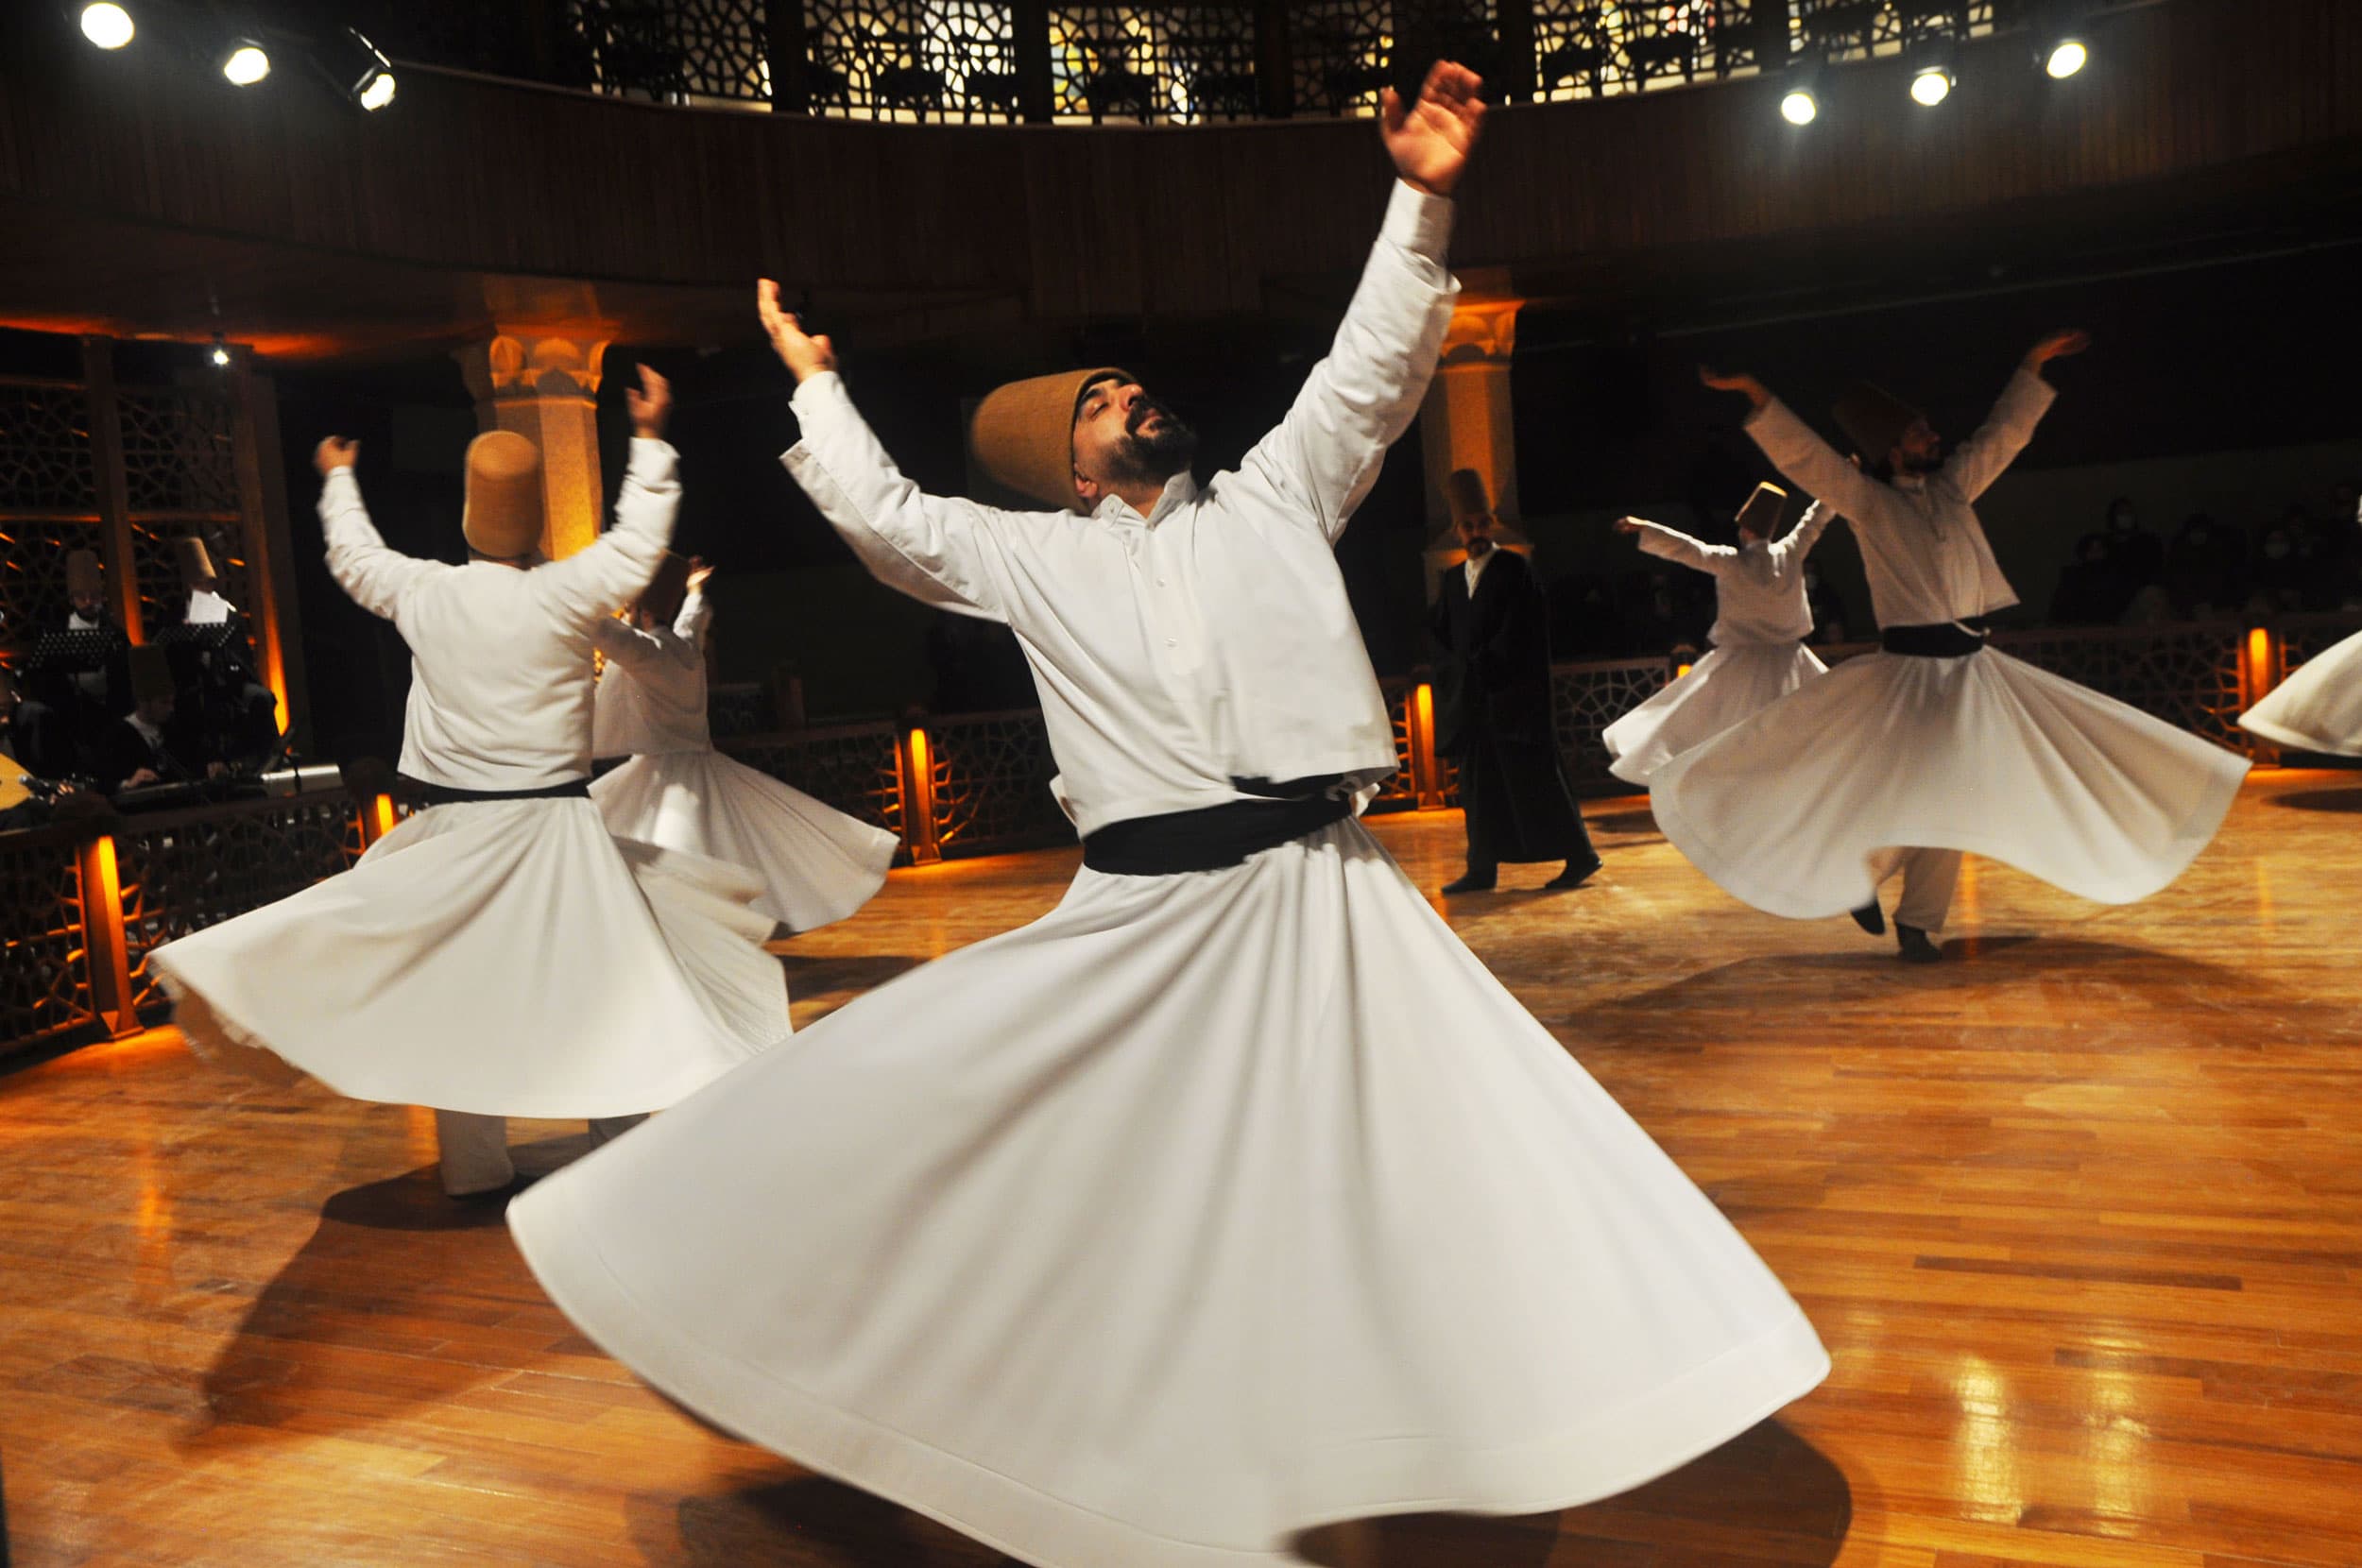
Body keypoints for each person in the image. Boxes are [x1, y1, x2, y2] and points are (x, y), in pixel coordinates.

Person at [508, 64, 1827, 1568]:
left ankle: (1452, 1411)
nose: (1131, 395)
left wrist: (1422, 197)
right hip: (1142, 918)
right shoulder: (1028, 558)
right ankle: (1005, 1395)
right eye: (1101, 402)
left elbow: (1371, 369)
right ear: (1070, 469)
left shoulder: (1273, 497)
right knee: (1032, 1147)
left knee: (1423, 1153)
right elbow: (887, 520)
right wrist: (813, 379)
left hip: (1322, 894)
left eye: (1128, 385)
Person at [148, 368, 791, 1198]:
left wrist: (339, 480)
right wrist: (649, 439)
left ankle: (475, 1167)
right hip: (555, 833)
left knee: (463, 994)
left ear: (467, 516)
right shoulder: (564, 592)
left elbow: (354, 558)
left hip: (460, 832)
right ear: (533, 523)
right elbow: (639, 543)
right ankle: (619, 1141)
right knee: (599, 983)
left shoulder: (428, 592)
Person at [1665, 335, 2249, 962]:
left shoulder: (1950, 490)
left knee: (1950, 795)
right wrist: (1756, 395)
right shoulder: (1869, 502)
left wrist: (2032, 367)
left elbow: (2002, 437)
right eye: (1919, 433)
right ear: (1893, 450)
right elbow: (1807, 459)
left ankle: (1890, 897)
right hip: (1910, 676)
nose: (1934, 437)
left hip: (1971, 669)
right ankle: (1884, 893)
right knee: (1936, 795)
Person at [590, 554, 899, 933]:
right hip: (700, 768)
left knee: (664, 856)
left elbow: (606, 633)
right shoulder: (687, 649)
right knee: (704, 853)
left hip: (665, 775)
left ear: (644, 613)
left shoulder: (650, 653)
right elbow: (693, 620)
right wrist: (693, 590)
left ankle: (682, 936)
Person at [1428, 467, 1600, 893]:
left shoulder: (1514, 569)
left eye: (1481, 524)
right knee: (1478, 788)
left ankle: (1580, 856)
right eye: (1468, 526)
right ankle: (1482, 867)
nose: (1476, 532)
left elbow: (1522, 630)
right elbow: (1442, 635)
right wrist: (1455, 675)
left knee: (1536, 779)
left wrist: (1483, 666)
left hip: (1511, 697)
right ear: (1458, 530)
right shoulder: (1452, 581)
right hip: (1474, 701)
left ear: (1491, 524)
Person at [1602, 482, 1833, 786]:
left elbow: (1688, 549)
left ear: (1745, 530)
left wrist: (1645, 528)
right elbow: (1814, 520)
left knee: (1724, 729)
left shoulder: (1733, 561)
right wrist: (1836, 485)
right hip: (1791, 661)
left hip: (1743, 663)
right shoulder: (1790, 552)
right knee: (1795, 731)